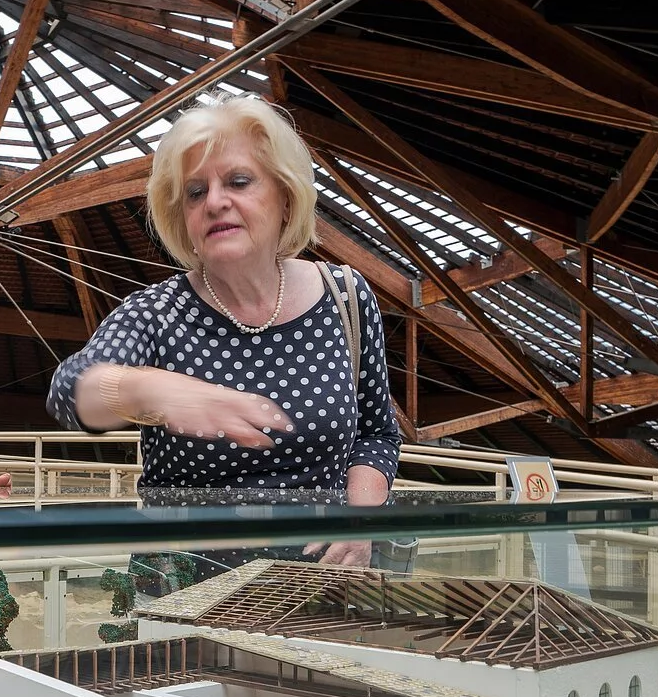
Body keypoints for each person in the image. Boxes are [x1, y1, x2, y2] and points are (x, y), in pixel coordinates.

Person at [47, 96, 399, 586]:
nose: (214, 201)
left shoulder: (346, 296)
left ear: (286, 196)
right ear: (185, 220)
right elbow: (70, 391)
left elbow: (377, 434)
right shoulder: (157, 312)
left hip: (323, 582)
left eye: (238, 181)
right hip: (187, 590)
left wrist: (361, 522)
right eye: (195, 192)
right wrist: (150, 390)